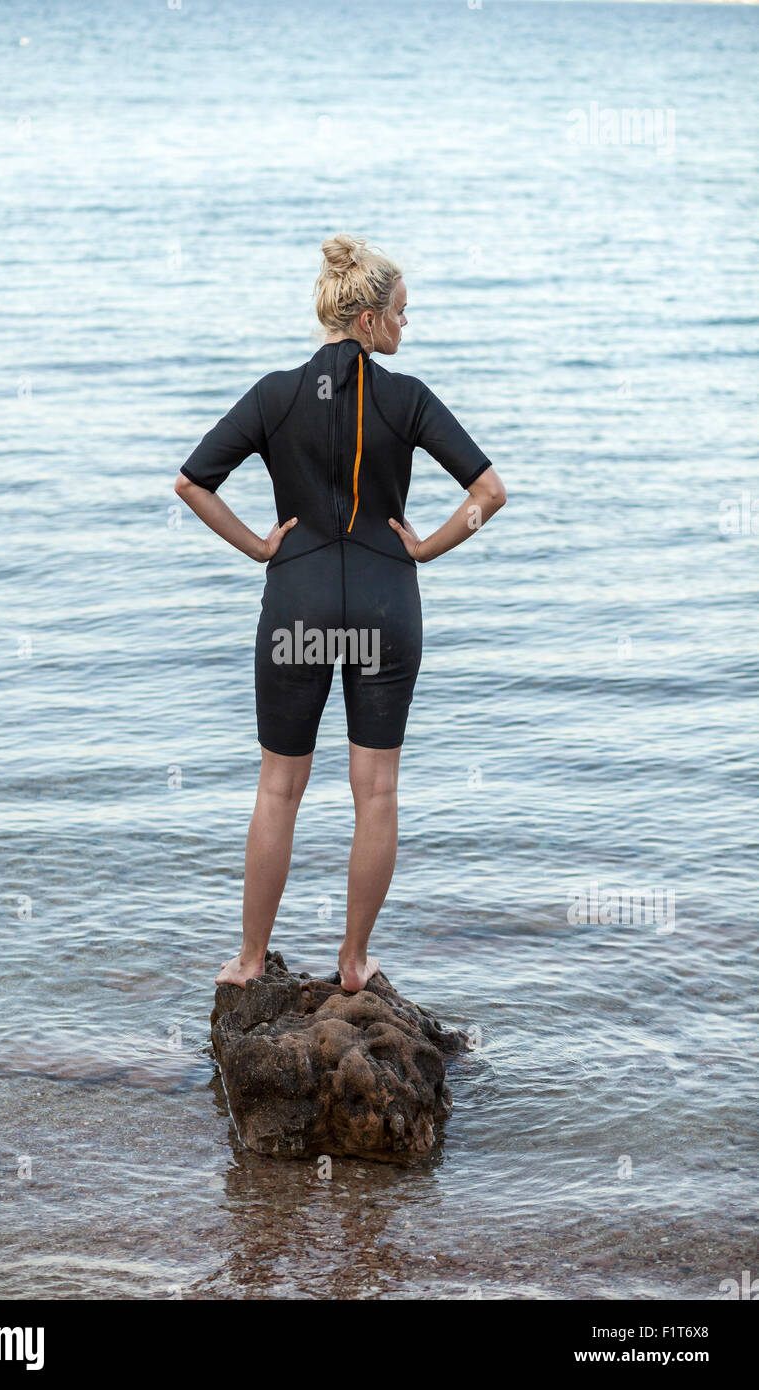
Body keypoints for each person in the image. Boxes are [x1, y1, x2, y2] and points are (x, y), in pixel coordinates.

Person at [174, 234, 506, 992]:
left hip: (299, 603)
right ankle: (354, 963)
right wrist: (429, 549)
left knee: (278, 788)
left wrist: (259, 546)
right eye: (400, 314)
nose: (405, 327)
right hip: (387, 604)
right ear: (367, 321)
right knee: (377, 790)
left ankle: (252, 962)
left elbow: (193, 484)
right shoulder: (408, 396)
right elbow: (489, 493)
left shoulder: (274, 394)